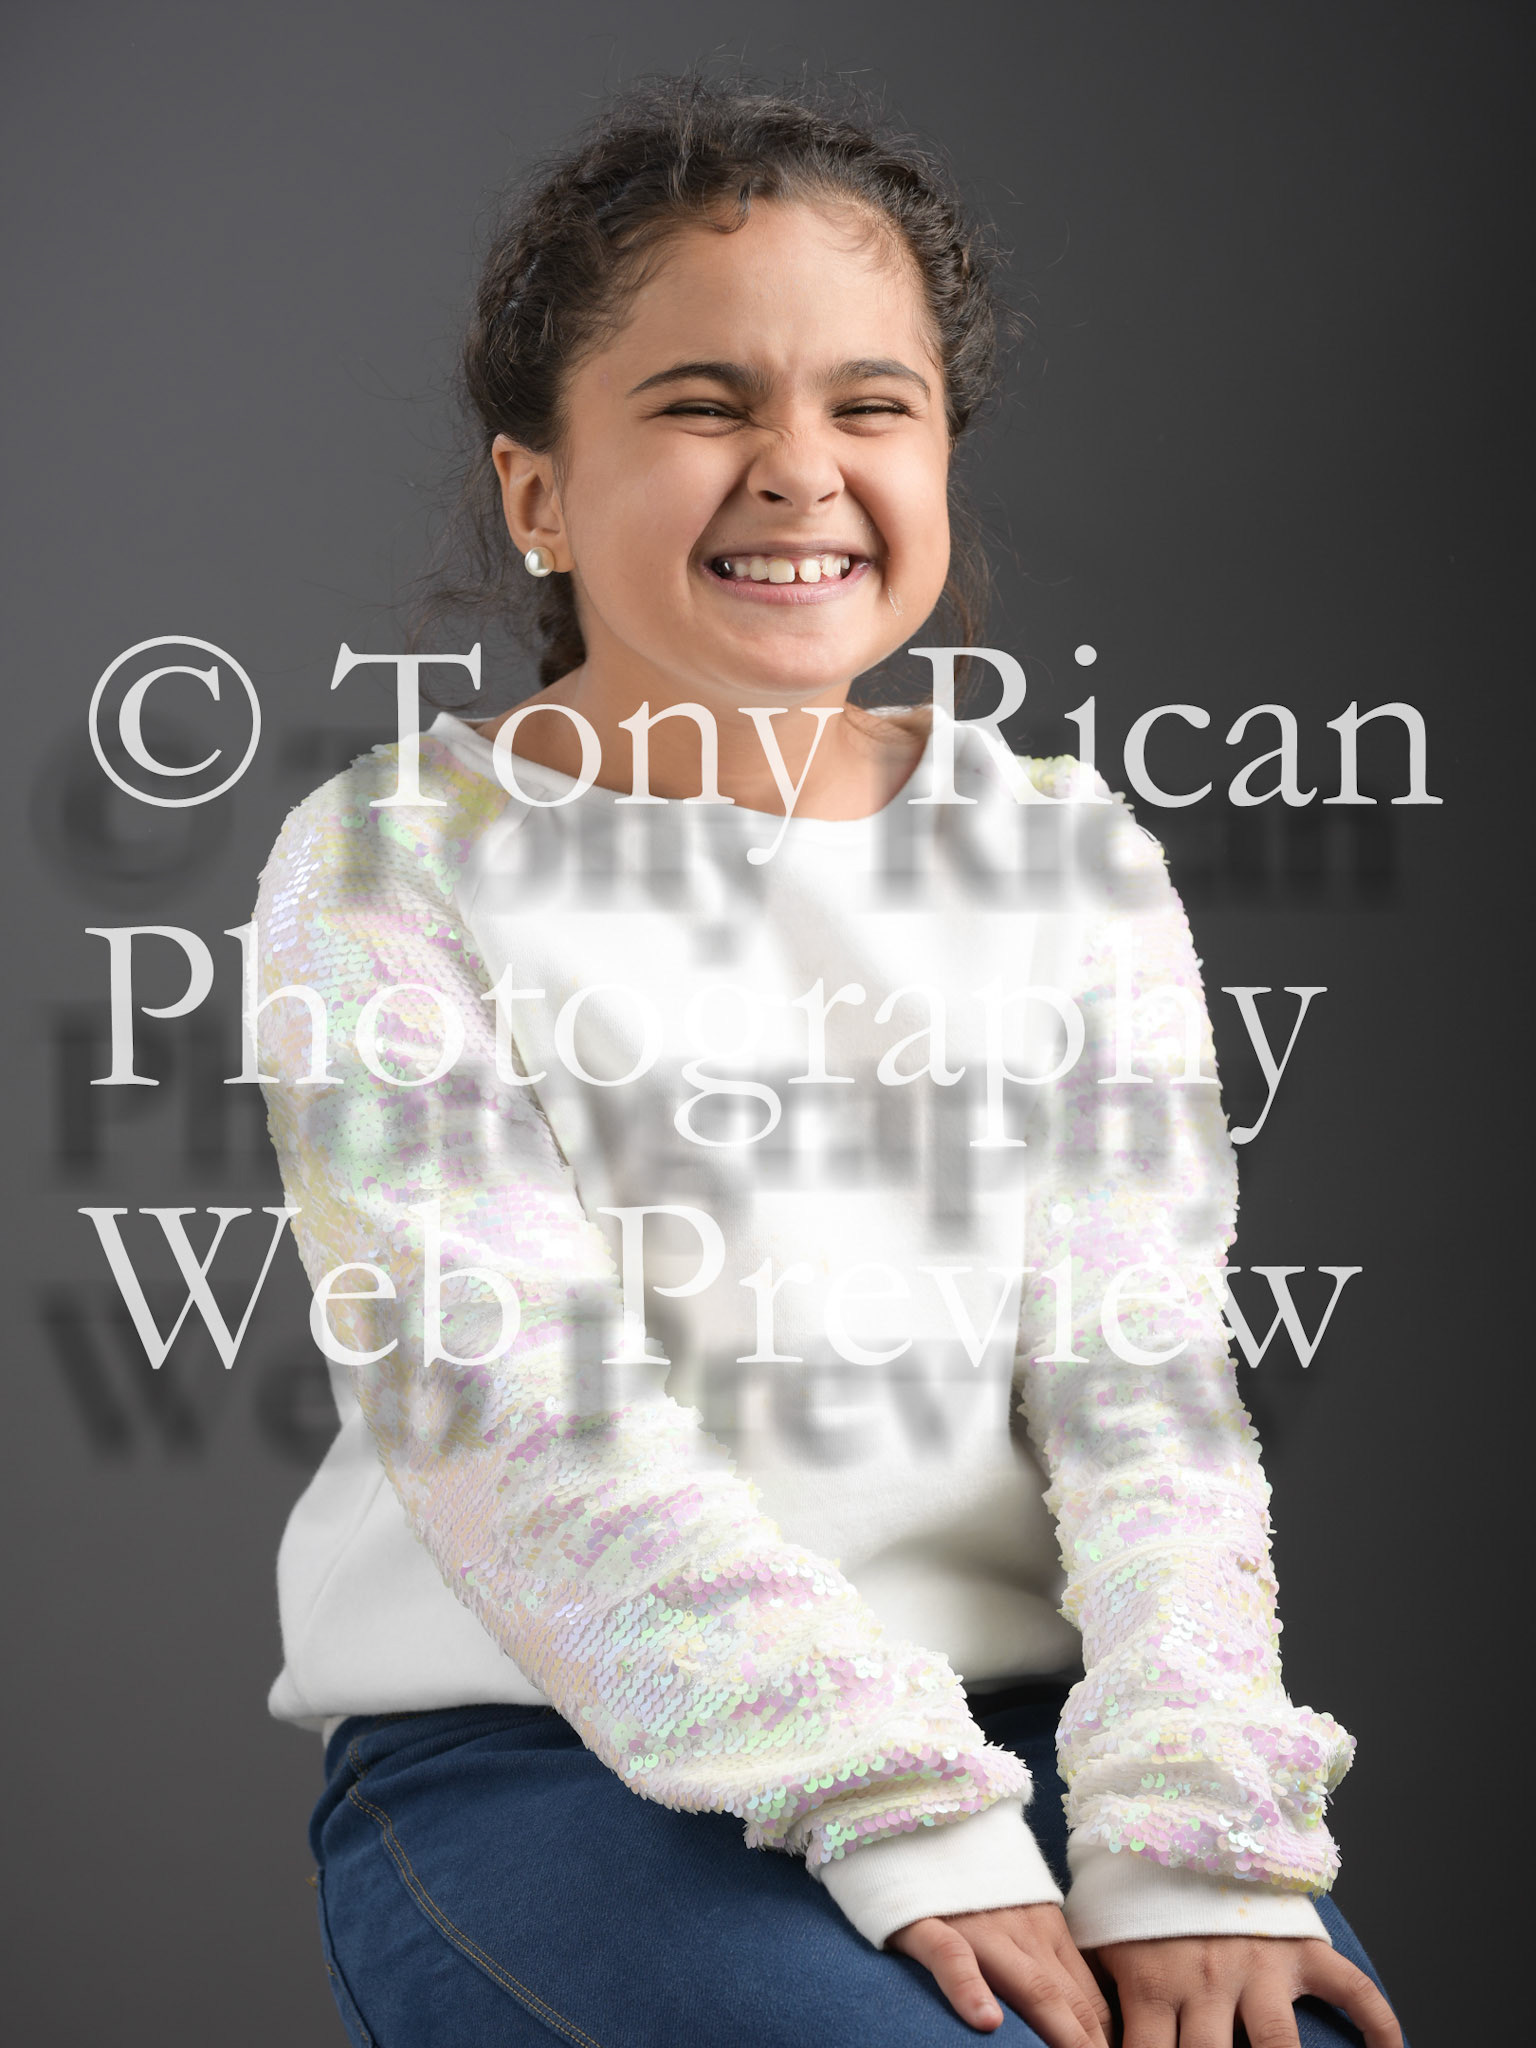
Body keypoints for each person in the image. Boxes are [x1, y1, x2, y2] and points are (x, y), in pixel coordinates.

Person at [253, 74, 1406, 2048]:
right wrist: (902, 1816)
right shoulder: (388, 864)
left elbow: (1144, 1387)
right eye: (705, 404)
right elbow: (514, 1417)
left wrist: (1193, 1833)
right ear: (538, 494)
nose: (800, 470)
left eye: (873, 405)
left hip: (1035, 1735)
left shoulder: (1064, 849)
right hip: (550, 1745)